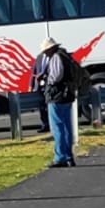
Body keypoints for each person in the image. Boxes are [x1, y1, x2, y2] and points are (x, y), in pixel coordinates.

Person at [40, 38, 79, 167]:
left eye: (46, 51)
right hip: (67, 95)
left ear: (50, 49)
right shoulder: (65, 56)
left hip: (57, 95)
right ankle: (69, 156)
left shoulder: (56, 57)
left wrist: (46, 80)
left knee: (58, 127)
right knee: (67, 126)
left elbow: (56, 77)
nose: (45, 54)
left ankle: (60, 157)